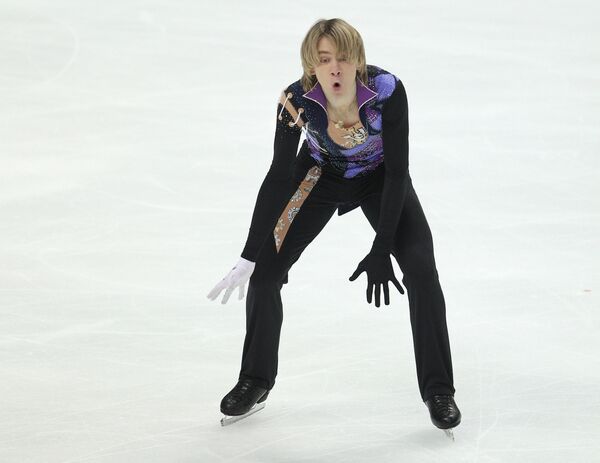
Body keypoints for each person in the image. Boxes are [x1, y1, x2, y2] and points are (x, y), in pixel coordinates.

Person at [207, 18, 461, 435]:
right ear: (311, 65)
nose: (336, 69)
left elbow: (398, 173)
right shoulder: (295, 101)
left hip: (381, 180)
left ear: (359, 60)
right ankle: (255, 380)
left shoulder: (387, 91)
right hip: (319, 178)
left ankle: (439, 389)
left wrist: (382, 250)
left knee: (420, 268)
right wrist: (249, 253)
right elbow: (277, 175)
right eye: (325, 60)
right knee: (265, 274)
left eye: (344, 58)